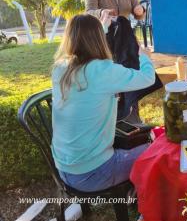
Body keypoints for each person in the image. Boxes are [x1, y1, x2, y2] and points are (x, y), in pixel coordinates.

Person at [51, 14, 155, 192]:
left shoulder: (60, 67)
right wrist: (144, 56)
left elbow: (85, 42)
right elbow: (147, 78)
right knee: (158, 151)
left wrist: (102, 27)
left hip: (64, 168)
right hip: (94, 173)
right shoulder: (103, 71)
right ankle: (144, 201)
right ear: (99, 38)